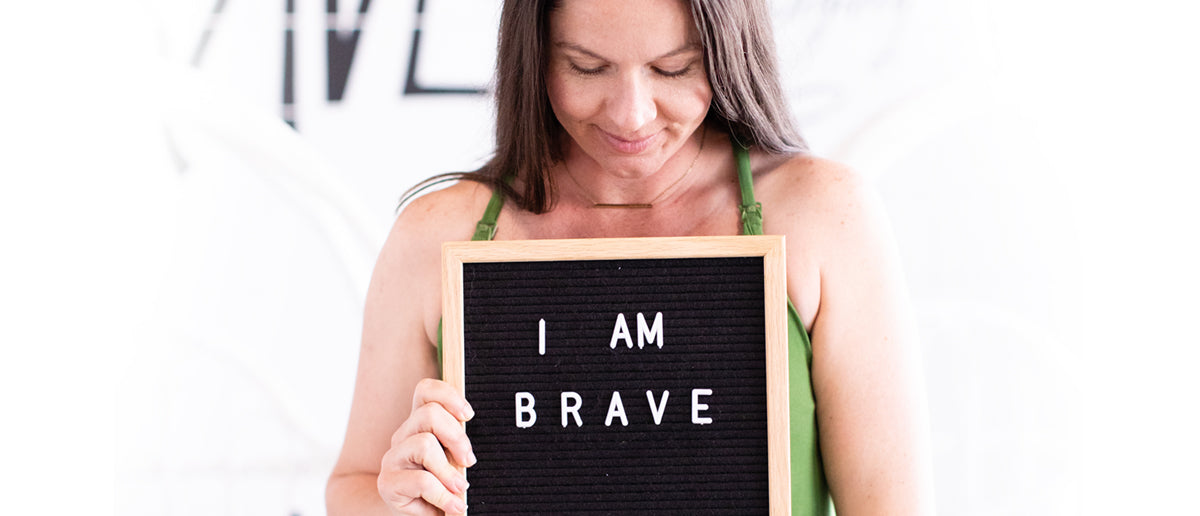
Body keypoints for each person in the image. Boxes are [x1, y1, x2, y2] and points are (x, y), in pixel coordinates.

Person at [326, 0, 935, 514]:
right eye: (585, 67)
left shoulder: (823, 216)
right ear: (533, 56)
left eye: (674, 69)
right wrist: (398, 499)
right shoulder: (434, 235)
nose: (631, 114)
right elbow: (353, 484)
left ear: (728, 50)